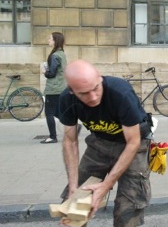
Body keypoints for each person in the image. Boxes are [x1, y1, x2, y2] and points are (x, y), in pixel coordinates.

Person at [58, 60, 153, 227]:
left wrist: (106, 184)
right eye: (84, 93)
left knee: (128, 207)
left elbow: (133, 142)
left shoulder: (120, 93)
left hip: (133, 144)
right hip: (100, 143)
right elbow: (70, 141)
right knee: (73, 205)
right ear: (72, 91)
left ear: (100, 78)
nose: (93, 97)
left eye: (96, 88)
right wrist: (74, 186)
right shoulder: (66, 99)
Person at [41, 32, 67, 144]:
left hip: (53, 88)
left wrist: (44, 72)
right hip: (61, 87)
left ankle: (52, 137)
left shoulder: (55, 55)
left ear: (55, 40)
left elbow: (52, 73)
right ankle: (73, 127)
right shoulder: (62, 53)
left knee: (49, 113)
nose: (48, 40)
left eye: (50, 38)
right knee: (58, 112)